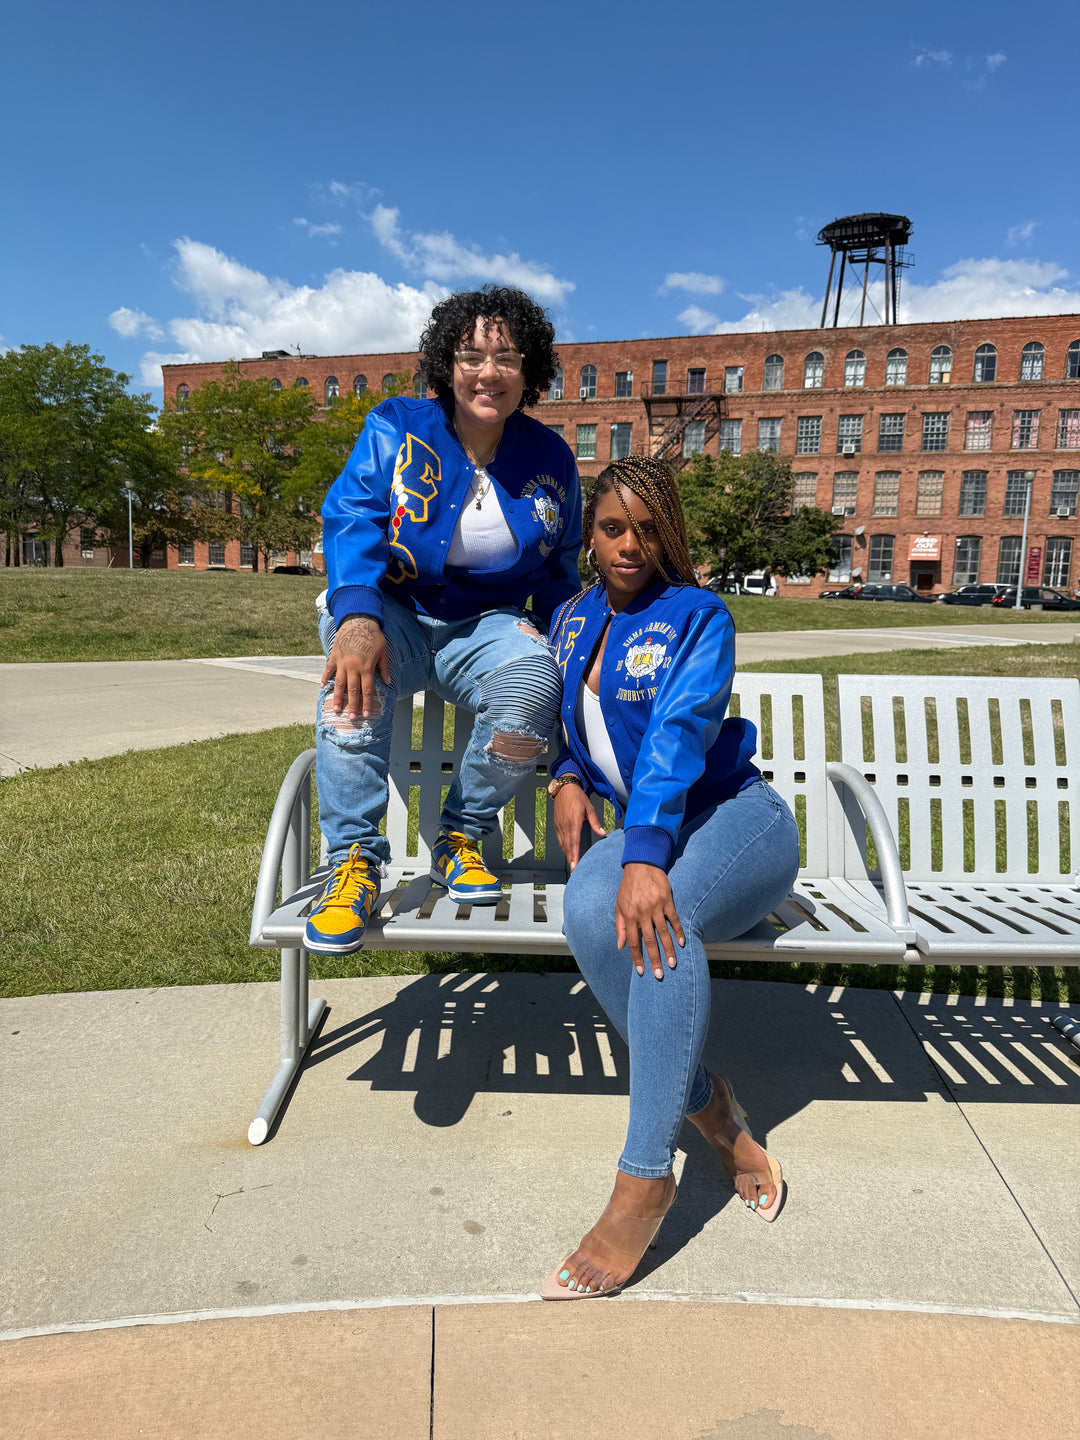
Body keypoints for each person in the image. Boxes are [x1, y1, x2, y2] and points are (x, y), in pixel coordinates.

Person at [540, 455, 801, 1299]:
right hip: (653, 829)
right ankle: (711, 1109)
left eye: (647, 530)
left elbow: (678, 735)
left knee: (661, 919)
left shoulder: (697, 615)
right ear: (590, 535)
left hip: (737, 821)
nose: (629, 545)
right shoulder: (572, 620)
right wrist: (565, 778)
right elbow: (572, 727)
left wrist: (645, 856)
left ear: (669, 536)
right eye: (613, 528)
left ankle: (645, 1178)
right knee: (587, 914)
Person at [306, 286, 581, 956]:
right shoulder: (395, 426)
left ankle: (460, 834)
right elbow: (352, 517)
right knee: (351, 686)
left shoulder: (551, 457)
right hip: (391, 612)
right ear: (445, 365)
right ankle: (353, 863)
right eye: (471, 356)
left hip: (485, 625)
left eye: (506, 357)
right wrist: (356, 616)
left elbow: (560, 568)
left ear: (528, 370)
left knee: (533, 685)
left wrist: (569, 650)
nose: (489, 372)